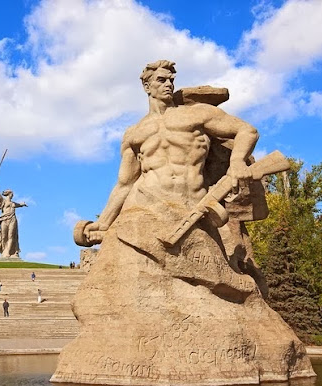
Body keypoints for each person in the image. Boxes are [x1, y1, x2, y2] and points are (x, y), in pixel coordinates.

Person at [80, 60, 259, 300]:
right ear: (147, 86)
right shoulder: (135, 133)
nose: (168, 85)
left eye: (171, 80)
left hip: (193, 208)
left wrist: (237, 161)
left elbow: (247, 131)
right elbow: (124, 184)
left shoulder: (196, 114)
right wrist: (103, 223)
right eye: (161, 80)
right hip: (146, 208)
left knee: (218, 283)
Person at [0, 177, 27, 258]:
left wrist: (23, 204)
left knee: (11, 236)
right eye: (12, 194)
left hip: (12, 219)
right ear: (9, 194)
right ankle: (4, 252)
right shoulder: (3, 201)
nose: (13, 195)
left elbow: (19, 205)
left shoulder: (13, 203)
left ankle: (8, 253)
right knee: (4, 236)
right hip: (4, 219)